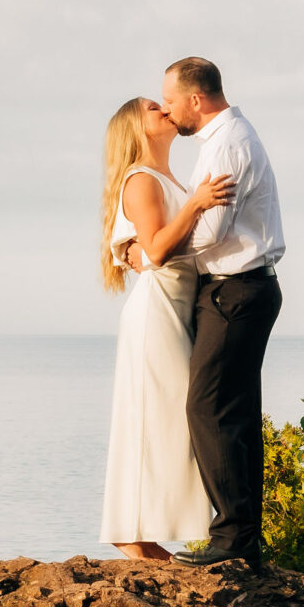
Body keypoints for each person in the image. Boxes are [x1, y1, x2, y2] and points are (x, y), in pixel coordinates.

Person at [143, 57, 285, 568]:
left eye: (171, 99)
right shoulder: (227, 139)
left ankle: (232, 540)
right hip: (242, 289)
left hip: (235, 290)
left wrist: (155, 251)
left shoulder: (227, 144)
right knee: (237, 415)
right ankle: (241, 537)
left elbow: (211, 234)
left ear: (196, 100)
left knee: (209, 409)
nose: (166, 108)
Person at [97, 95, 234, 560]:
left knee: (172, 421)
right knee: (156, 420)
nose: (166, 110)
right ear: (138, 128)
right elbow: (155, 251)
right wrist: (196, 205)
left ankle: (147, 542)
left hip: (179, 310)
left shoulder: (171, 178)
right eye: (154, 108)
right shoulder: (141, 179)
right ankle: (130, 533)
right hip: (156, 314)